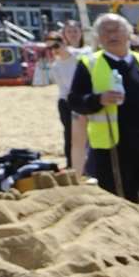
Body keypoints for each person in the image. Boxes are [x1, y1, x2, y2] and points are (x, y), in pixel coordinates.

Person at [67, 13, 139, 220]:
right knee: (124, 208)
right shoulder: (89, 64)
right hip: (116, 147)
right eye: (105, 31)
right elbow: (75, 100)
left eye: (116, 29)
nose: (112, 34)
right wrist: (98, 100)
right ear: (97, 37)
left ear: (129, 33)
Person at [48, 20, 91, 167]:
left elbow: (79, 55)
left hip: (86, 98)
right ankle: (71, 164)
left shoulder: (87, 52)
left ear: (81, 33)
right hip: (67, 101)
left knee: (89, 134)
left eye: (75, 31)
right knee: (70, 135)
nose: (72, 34)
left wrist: (63, 49)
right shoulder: (57, 63)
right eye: (69, 31)